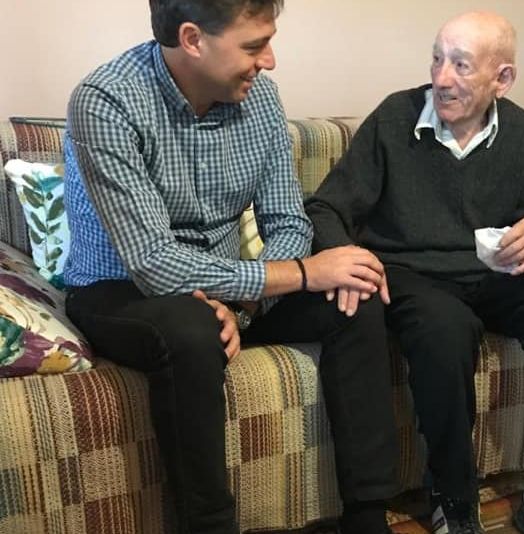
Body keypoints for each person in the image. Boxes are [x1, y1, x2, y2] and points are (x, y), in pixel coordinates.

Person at [62, 1, 400, 533]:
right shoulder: (106, 101)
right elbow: (153, 263)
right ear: (193, 39)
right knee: (192, 328)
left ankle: (367, 517)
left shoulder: (259, 97)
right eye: (253, 46)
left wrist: (244, 305)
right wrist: (301, 274)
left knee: (353, 296)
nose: (269, 60)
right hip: (120, 288)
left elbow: (288, 221)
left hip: (232, 285)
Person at [305, 10, 524, 534]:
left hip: (495, 276)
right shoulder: (394, 119)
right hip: (413, 275)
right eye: (437, 59)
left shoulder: (521, 133)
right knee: (446, 328)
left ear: (502, 78)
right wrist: (345, 256)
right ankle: (453, 493)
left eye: (461, 65)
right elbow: (326, 208)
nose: (442, 78)